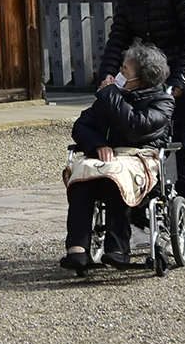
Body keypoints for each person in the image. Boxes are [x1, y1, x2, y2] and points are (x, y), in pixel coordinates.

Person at [96, 0, 185, 225]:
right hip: (148, 77)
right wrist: (107, 76)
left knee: (179, 150)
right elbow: (118, 39)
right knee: (142, 148)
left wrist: (175, 87)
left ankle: (183, 224)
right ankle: (144, 215)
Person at [62, 40, 175, 270]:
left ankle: (118, 248)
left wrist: (111, 94)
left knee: (117, 177)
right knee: (82, 179)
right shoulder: (109, 97)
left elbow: (135, 127)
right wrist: (97, 145)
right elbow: (81, 126)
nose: (118, 74)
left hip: (139, 156)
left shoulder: (162, 101)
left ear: (142, 78)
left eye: (125, 70)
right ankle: (77, 248)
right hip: (106, 158)